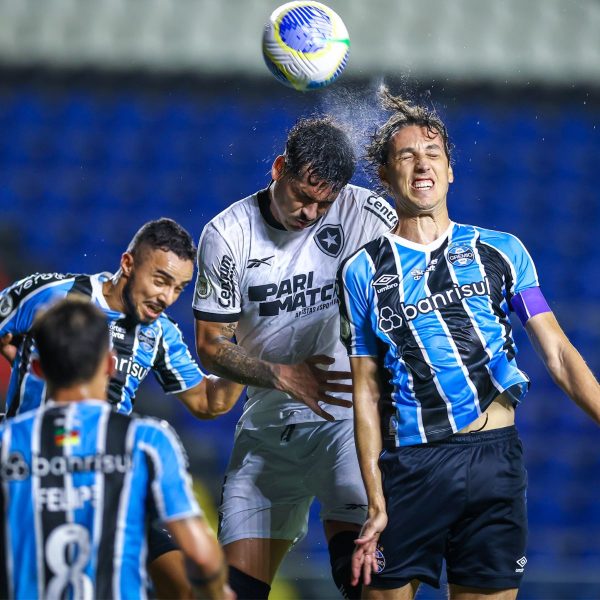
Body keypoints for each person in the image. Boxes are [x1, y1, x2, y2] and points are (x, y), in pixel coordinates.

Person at [337, 88, 600, 600]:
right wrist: (374, 500)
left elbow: (558, 353)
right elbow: (365, 394)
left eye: (433, 153)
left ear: (450, 171)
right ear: (387, 175)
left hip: (495, 461)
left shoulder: (502, 250)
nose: (422, 164)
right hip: (414, 467)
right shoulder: (363, 270)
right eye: (406, 156)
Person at [193, 116, 397, 599]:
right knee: (234, 591)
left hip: (346, 427)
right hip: (268, 434)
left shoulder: (364, 212)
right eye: (302, 196)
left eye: (322, 204)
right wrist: (283, 375)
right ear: (279, 168)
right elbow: (211, 344)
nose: (309, 212)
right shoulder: (227, 234)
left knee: (367, 577)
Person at [0, 217, 244, 598]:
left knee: (186, 588)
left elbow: (210, 402)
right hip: (29, 471)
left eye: (179, 288)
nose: (167, 297)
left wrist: (253, 350)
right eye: (161, 280)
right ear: (128, 263)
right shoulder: (54, 295)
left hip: (108, 475)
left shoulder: (158, 332)